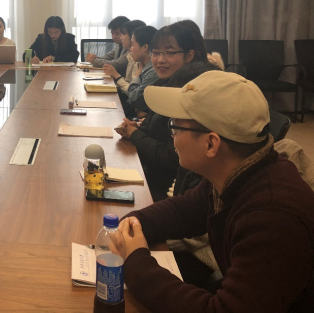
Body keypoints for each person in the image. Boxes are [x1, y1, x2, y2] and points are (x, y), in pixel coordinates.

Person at [118, 71, 314, 312]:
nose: (172, 137)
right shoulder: (233, 172)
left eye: (174, 127)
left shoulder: (274, 218)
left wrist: (136, 262)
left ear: (211, 144)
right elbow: (183, 211)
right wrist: (132, 224)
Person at [115, 23, 210, 201]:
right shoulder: (163, 84)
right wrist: (137, 129)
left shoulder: (190, 95)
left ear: (189, 55)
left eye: (170, 53)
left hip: (166, 187)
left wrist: (135, 134)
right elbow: (158, 131)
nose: (160, 60)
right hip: (151, 172)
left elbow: (171, 158)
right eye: (156, 53)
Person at [122, 25, 159, 113]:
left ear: (145, 47)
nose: (130, 49)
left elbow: (134, 99)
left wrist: (137, 76)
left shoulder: (154, 70)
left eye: (132, 45)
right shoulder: (144, 66)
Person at [104, 19, 146, 93]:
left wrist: (116, 76)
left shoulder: (139, 59)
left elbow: (133, 93)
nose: (121, 38)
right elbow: (128, 83)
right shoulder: (130, 55)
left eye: (123, 34)